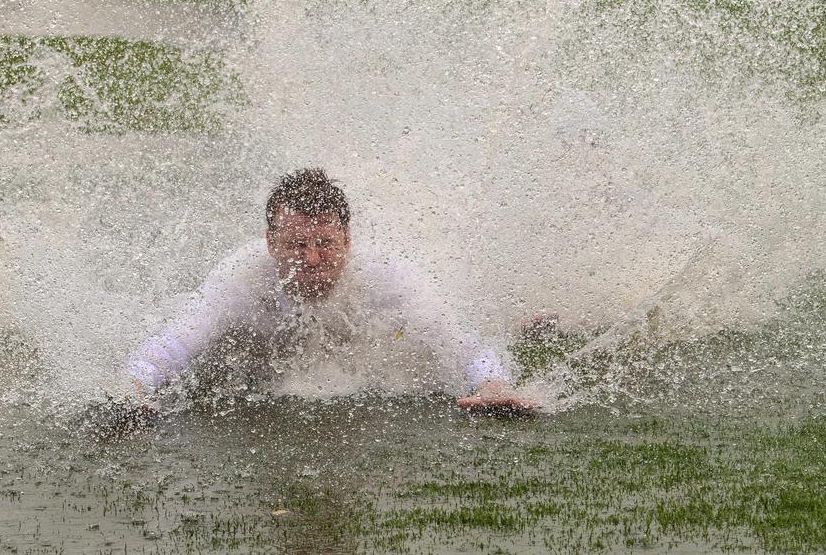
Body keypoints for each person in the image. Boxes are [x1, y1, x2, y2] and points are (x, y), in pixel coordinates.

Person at [127, 169, 535, 413]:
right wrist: (134, 390)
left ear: (348, 240)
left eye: (326, 244)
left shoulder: (385, 276)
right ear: (271, 244)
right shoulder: (243, 277)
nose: (314, 260)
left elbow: (460, 342)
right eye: (297, 246)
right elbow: (176, 342)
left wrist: (492, 386)